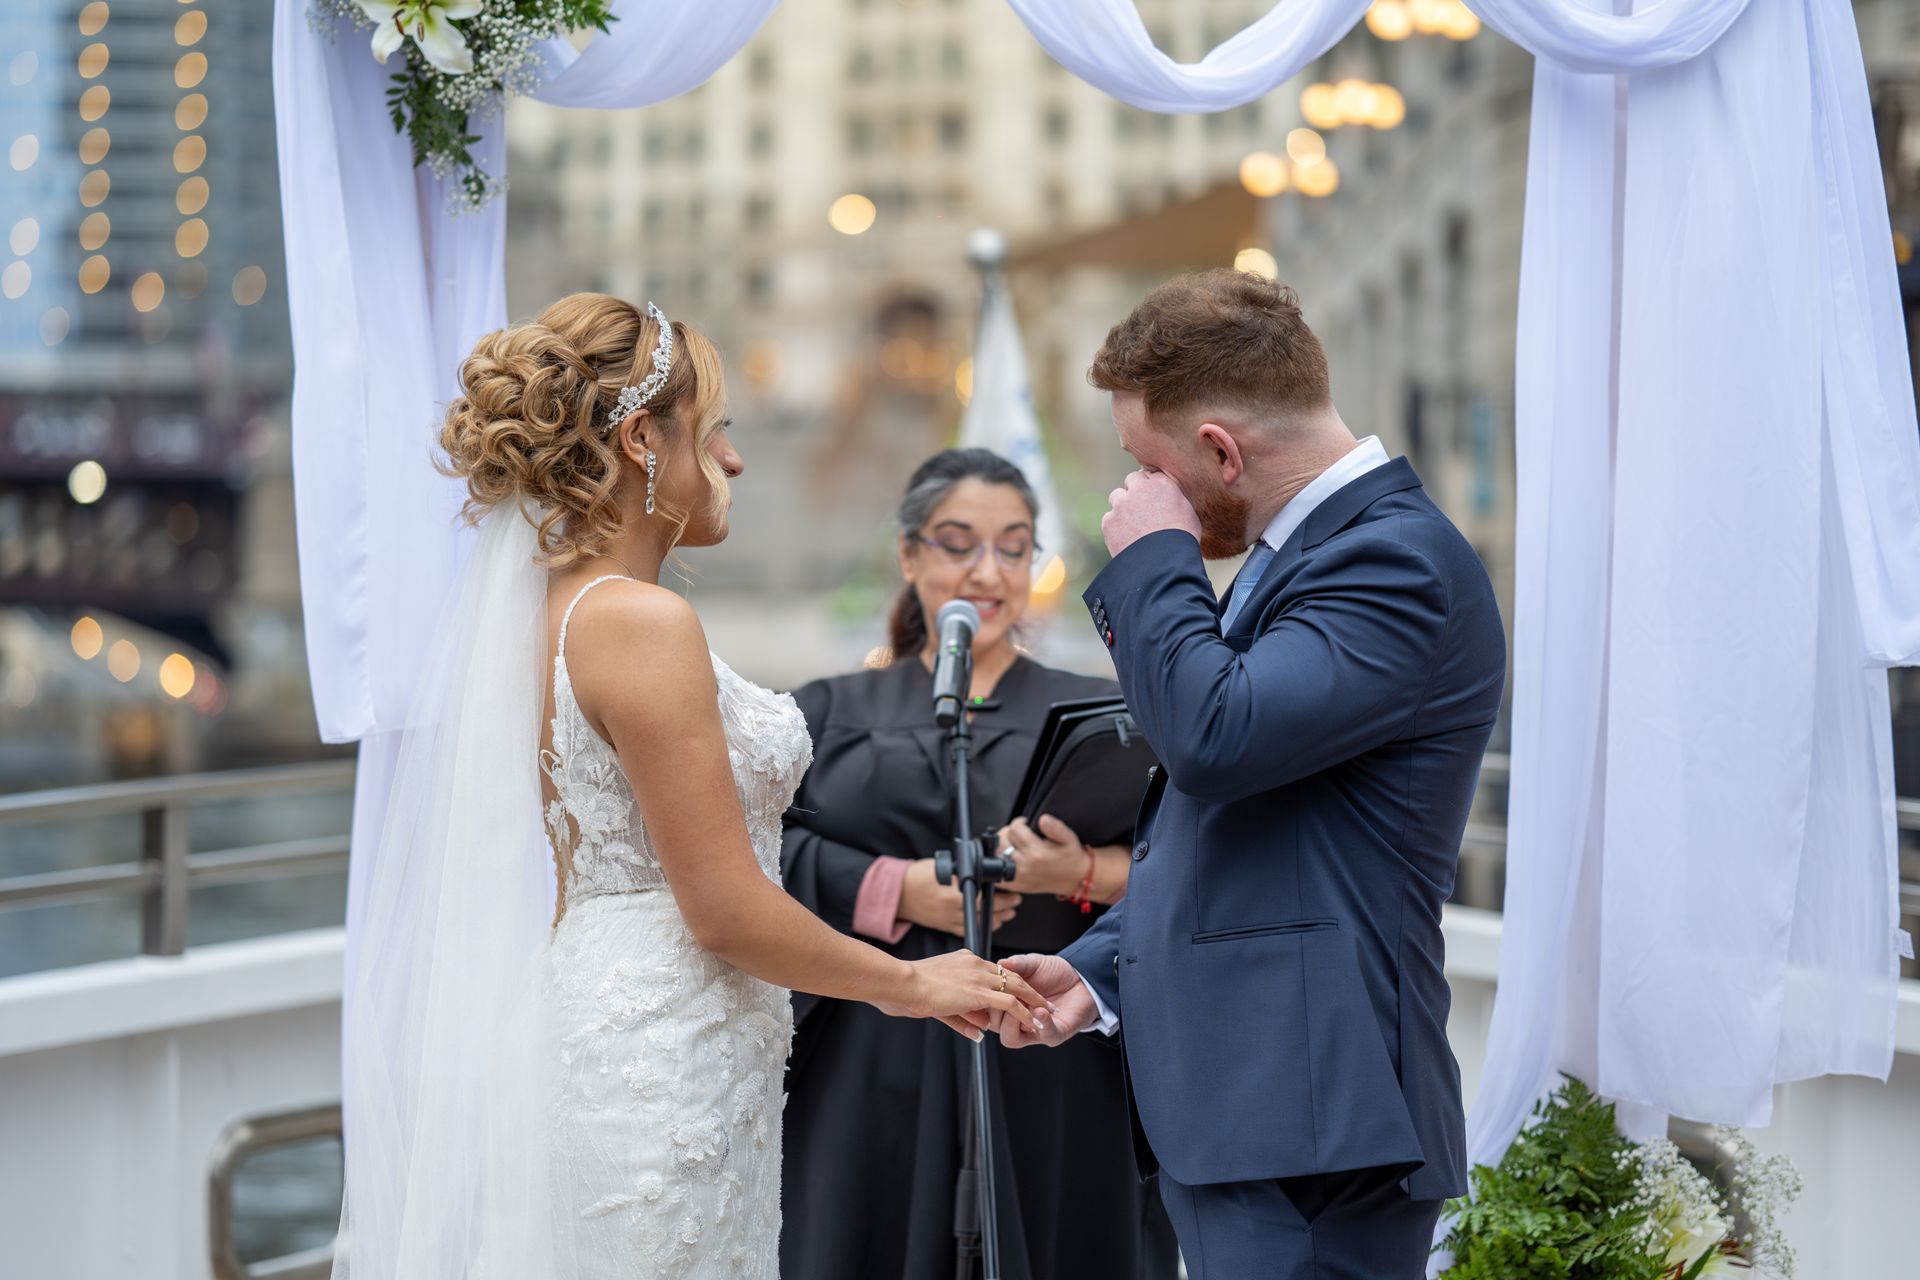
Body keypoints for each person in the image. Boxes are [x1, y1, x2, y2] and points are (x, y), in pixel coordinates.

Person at [332, 295, 1049, 1280]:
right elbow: (721, 905)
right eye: (715, 434)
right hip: (660, 1056)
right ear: (640, 440)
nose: (738, 462)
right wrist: (917, 984)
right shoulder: (638, 622)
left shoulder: (551, 612)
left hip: (645, 1026)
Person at [998, 269, 1507, 1279]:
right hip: (1262, 1114)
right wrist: (1102, 970)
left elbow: (1215, 740)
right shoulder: (1306, 554)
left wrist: (1154, 559)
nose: (1132, 496)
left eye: (1150, 468)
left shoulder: (1392, 562)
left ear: (1222, 451)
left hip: (1316, 1125)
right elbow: (1245, 834)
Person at [780, 448, 1179, 1280]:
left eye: (1014, 546)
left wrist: (1078, 872)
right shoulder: (826, 713)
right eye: (959, 543)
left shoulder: (1107, 712)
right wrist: (895, 891)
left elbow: (1186, 861)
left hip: (1048, 1053)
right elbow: (756, 856)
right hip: (873, 1051)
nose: (988, 572)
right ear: (909, 554)